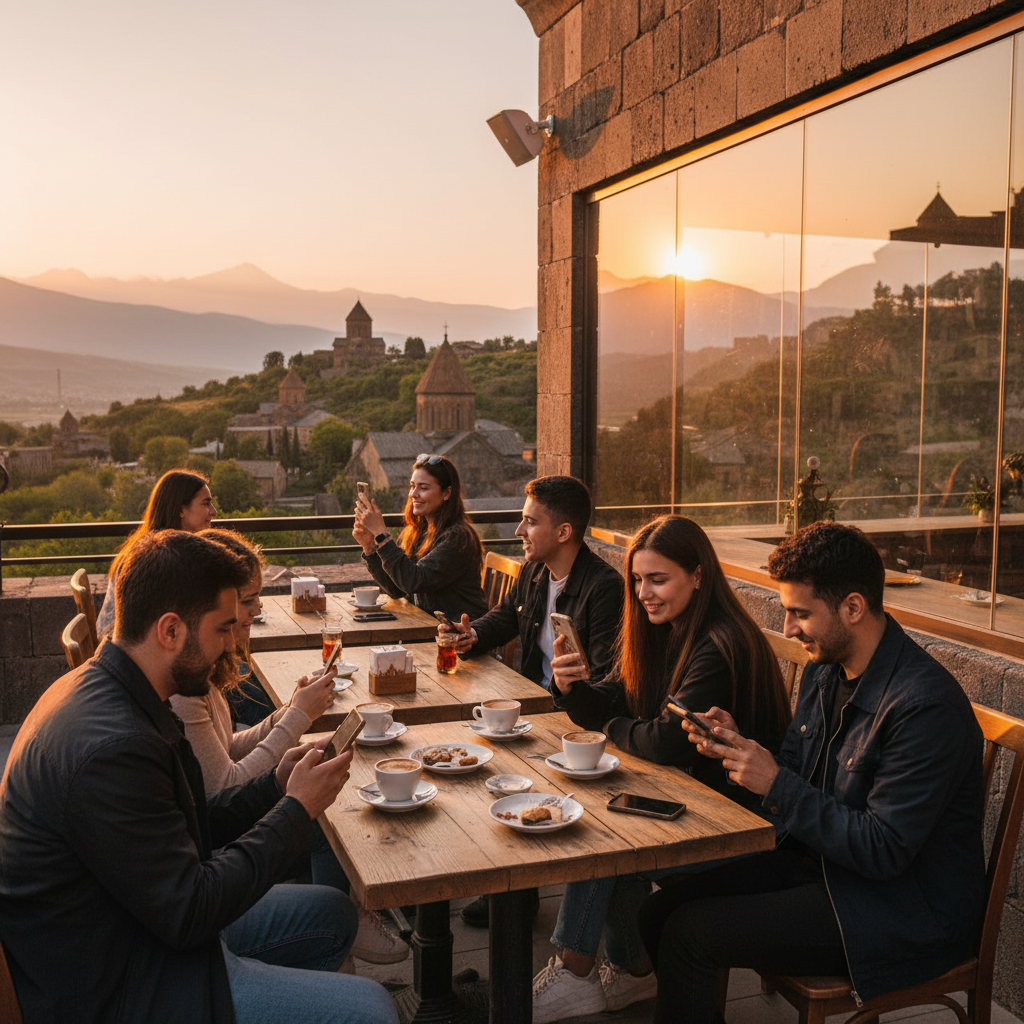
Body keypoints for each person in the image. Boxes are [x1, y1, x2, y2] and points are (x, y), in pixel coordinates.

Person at [0, 530, 398, 1024]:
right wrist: (296, 810)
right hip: (129, 982)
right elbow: (192, 911)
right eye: (223, 628)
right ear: (170, 630)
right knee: (372, 1010)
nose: (233, 643)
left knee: (333, 915)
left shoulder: (122, 687)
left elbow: (186, 825)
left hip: (142, 925)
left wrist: (274, 784)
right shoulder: (113, 746)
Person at [637, 521, 986, 1024]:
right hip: (820, 866)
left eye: (800, 613)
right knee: (657, 912)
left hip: (897, 910)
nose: (787, 629)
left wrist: (775, 782)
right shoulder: (828, 668)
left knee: (691, 934)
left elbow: (883, 849)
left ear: (853, 607)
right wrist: (741, 748)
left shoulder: (924, 707)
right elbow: (799, 769)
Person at [531, 515, 791, 1022]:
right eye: (637, 579)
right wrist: (575, 690)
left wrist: (609, 720)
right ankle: (631, 972)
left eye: (658, 579)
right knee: (605, 823)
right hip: (694, 802)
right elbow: (630, 704)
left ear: (698, 575)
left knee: (600, 839)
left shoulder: (718, 644)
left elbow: (667, 739)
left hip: (747, 829)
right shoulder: (669, 630)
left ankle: (574, 969)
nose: (644, 592)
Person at [171, 528, 409, 965]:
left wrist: (283, 718)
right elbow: (224, 784)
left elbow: (224, 748)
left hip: (205, 861)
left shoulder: (193, 675)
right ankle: (343, 921)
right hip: (209, 877)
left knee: (320, 800)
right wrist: (296, 719)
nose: (256, 610)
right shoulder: (182, 691)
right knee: (322, 815)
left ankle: (341, 927)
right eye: (247, 601)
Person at [450, 475, 624, 928]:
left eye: (529, 522)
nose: (518, 531)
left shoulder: (604, 587)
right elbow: (505, 617)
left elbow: (607, 677)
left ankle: (515, 891)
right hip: (536, 708)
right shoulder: (533, 572)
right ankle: (508, 888)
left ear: (564, 532)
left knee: (493, 768)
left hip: (578, 719)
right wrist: (472, 635)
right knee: (473, 765)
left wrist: (570, 692)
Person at [353, 454, 487, 624]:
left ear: (446, 493)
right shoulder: (420, 532)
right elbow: (398, 589)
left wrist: (381, 533)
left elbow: (413, 581)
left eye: (423, 488)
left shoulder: (458, 537)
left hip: (458, 635)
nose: (413, 494)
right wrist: (370, 546)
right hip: (428, 626)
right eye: (412, 486)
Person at [96, 468, 216, 637]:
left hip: (120, 647)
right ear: (181, 510)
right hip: (127, 653)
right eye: (205, 504)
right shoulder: (157, 559)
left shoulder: (162, 550)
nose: (213, 511)